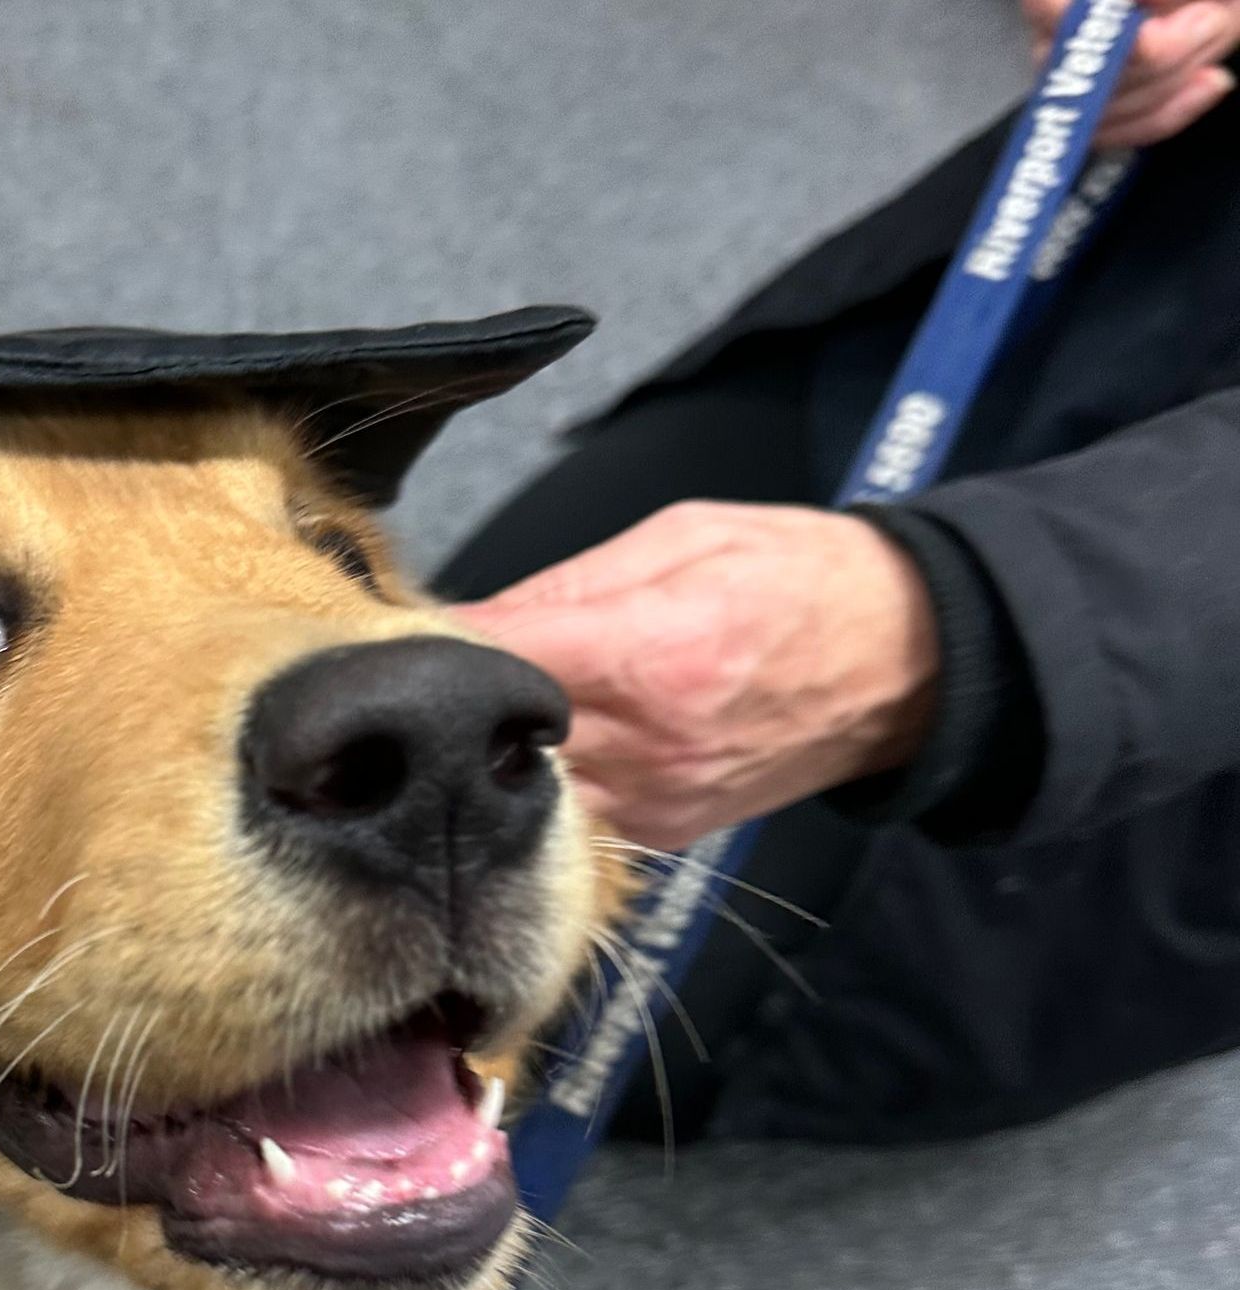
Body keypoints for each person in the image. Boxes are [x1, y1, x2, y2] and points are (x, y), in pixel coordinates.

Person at [440, 0, 1240, 1147]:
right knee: (386, 730)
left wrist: (954, 634)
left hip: (1171, 693)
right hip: (1102, 270)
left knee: (487, 1003)